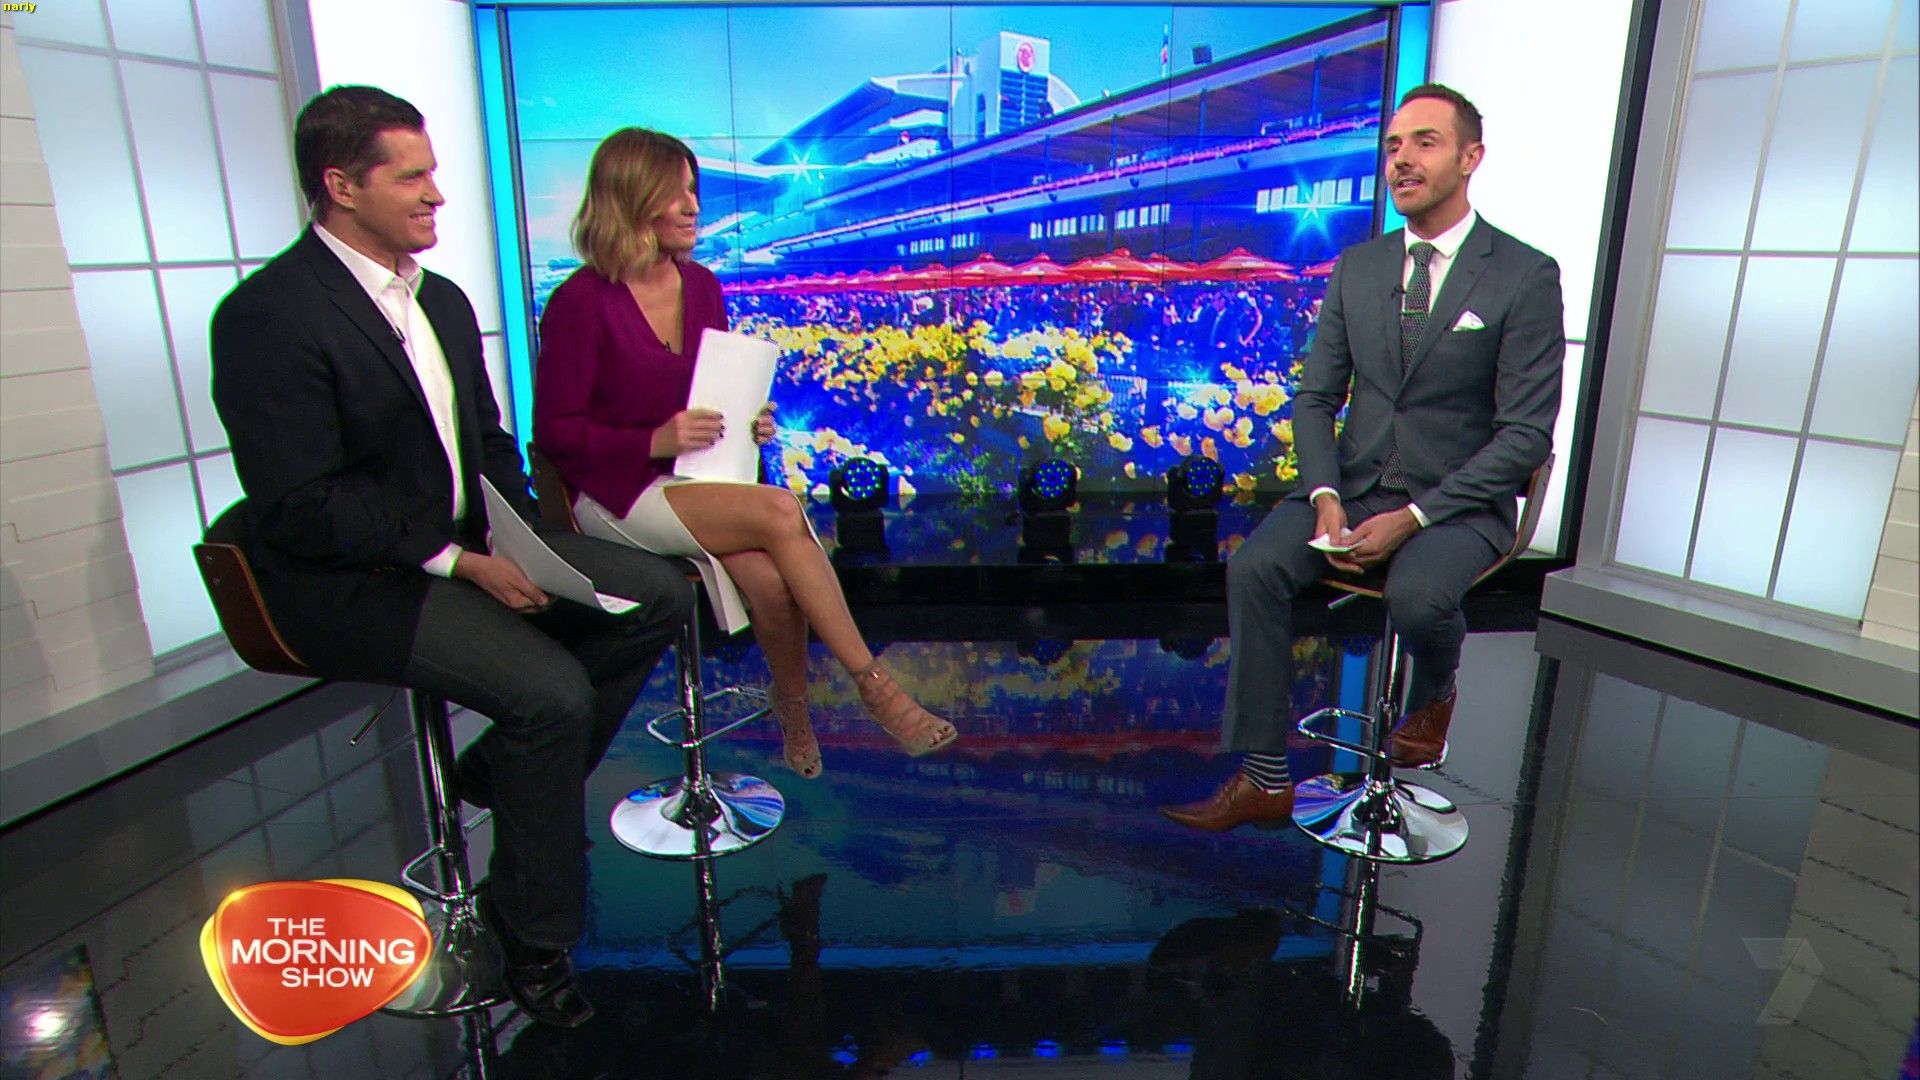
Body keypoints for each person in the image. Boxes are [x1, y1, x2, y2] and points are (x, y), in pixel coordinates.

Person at [210, 87, 696, 1027]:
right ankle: (534, 936)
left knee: (657, 596)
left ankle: (501, 772)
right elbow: (303, 505)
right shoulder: (269, 315)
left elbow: (487, 442)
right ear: (341, 186)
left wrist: (522, 541)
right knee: (551, 695)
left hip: (468, 545)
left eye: (434, 172)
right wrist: (457, 562)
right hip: (352, 580)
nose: (437, 194)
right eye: (412, 177)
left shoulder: (440, 297)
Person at [1160, 84, 1563, 831]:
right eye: (1393, 146)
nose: (1402, 159)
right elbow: (1316, 399)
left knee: (1418, 598)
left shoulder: (1523, 275)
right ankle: (1265, 779)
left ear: (1471, 158)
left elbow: (1525, 436)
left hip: (1457, 503)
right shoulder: (1358, 267)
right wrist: (1324, 497)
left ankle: (1435, 692)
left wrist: (1414, 517)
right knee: (1255, 569)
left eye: (1424, 143)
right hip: (1352, 487)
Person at [531, 128, 958, 782]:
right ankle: (878, 689)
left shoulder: (701, 285)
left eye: (693, 191)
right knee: (783, 513)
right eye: (675, 194)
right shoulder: (579, 303)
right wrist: (654, 440)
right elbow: (556, 435)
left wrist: (749, 420)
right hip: (616, 490)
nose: (692, 207)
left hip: (696, 480)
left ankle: (793, 711)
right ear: (630, 200)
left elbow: (713, 388)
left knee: (771, 583)